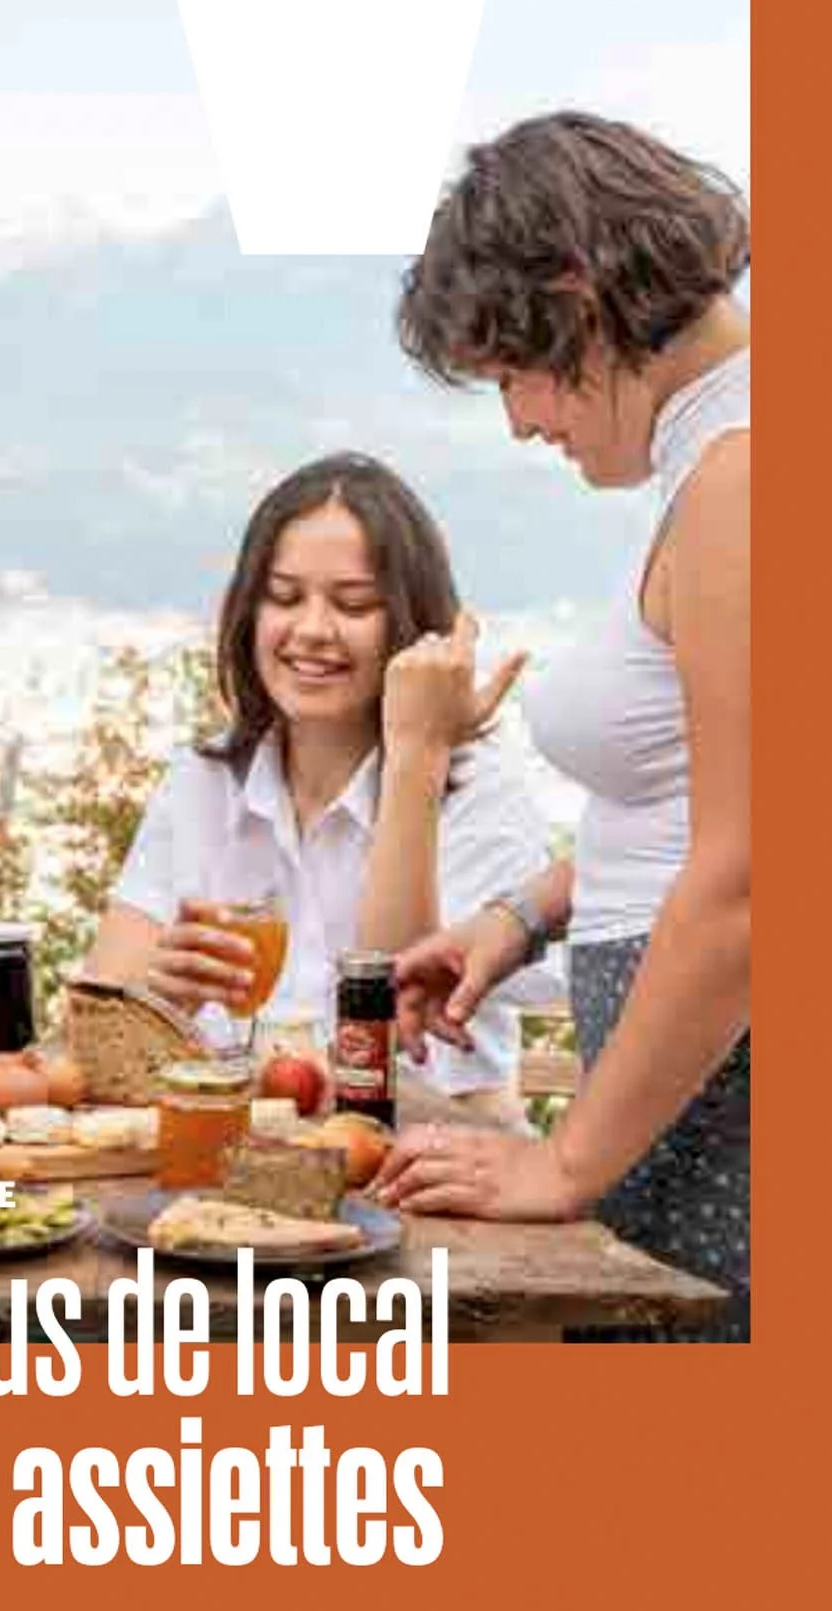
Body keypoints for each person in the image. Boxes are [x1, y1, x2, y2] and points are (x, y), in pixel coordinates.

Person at [378, 112, 750, 1343]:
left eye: (509, 374)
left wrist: (563, 1164)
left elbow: (753, 875)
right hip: (685, 1094)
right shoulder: (716, 465)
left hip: (728, 1111)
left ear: (574, 297)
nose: (521, 423)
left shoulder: (744, 479)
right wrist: (525, 912)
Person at [86, 454, 556, 1124]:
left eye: (353, 604)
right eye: (282, 597)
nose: (310, 630)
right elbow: (99, 1027)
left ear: (410, 622)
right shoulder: (204, 783)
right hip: (234, 1154)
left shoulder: (477, 795)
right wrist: (160, 996)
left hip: (426, 1160)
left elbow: (392, 1011)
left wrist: (415, 754)